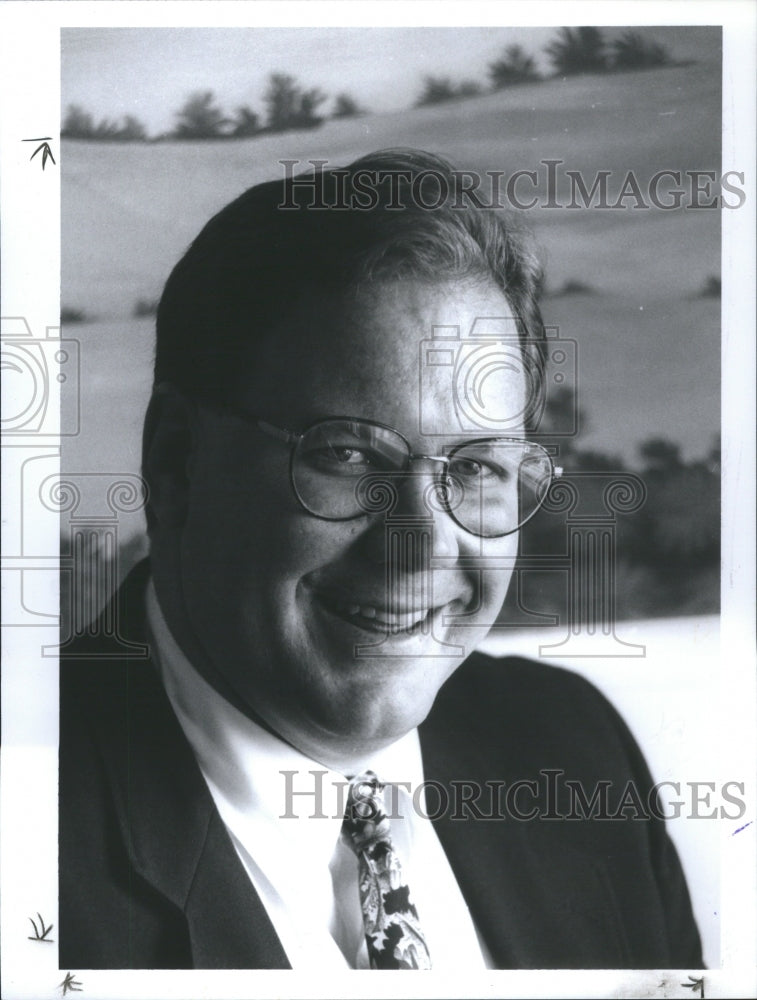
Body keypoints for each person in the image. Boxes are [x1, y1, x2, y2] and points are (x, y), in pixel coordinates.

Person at [59, 149, 703, 970]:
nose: (425, 546)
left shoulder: (572, 748)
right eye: (351, 457)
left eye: (475, 466)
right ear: (178, 462)